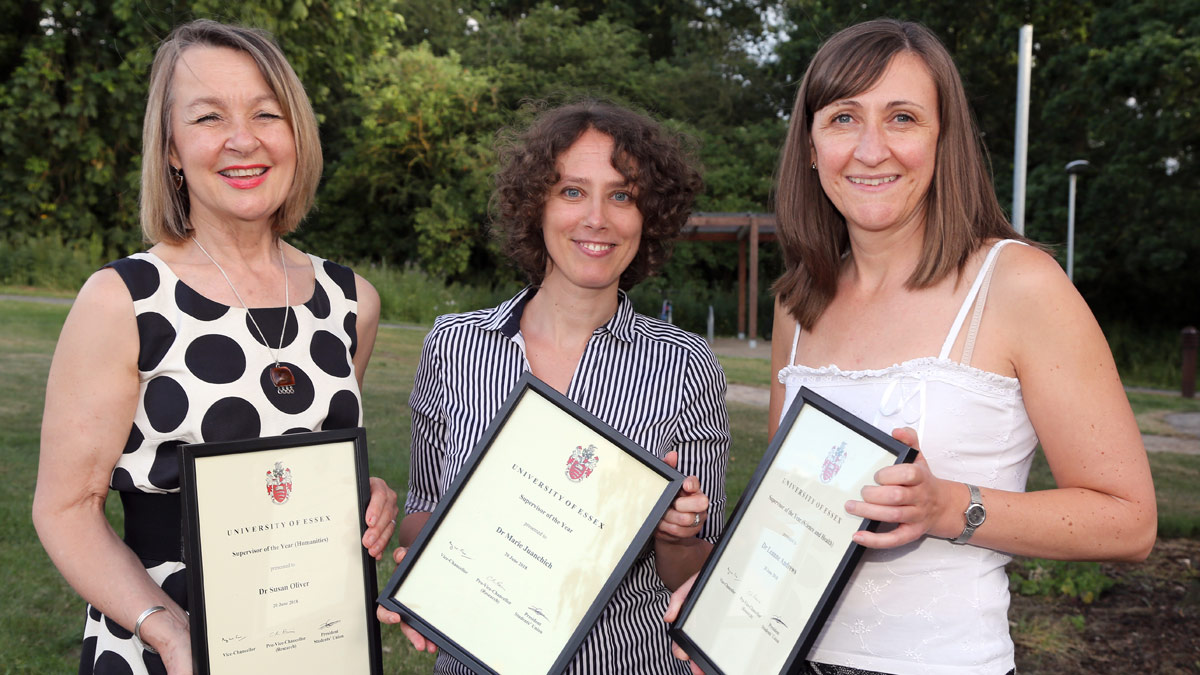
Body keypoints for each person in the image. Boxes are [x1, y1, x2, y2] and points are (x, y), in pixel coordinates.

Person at [666, 18, 1156, 675]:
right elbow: (791, 519)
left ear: (942, 138)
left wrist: (945, 505)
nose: (871, 149)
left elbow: (1129, 523)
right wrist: (726, 602)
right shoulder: (797, 303)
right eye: (843, 118)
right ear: (810, 146)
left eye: (901, 117)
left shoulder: (1017, 283)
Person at [32, 20, 399, 675]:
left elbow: (299, 460)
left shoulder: (352, 301)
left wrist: (362, 497)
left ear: (295, 133)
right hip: (166, 652)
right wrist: (167, 631)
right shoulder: (124, 299)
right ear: (171, 148)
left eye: (266, 112)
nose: (242, 139)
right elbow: (65, 508)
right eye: (208, 117)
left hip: (311, 647)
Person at [377, 100, 731, 673]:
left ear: (648, 215)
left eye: (621, 195)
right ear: (535, 205)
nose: (597, 218)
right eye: (571, 191)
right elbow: (421, 509)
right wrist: (427, 556)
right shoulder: (451, 345)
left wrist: (676, 531)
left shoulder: (685, 364)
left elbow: (696, 574)